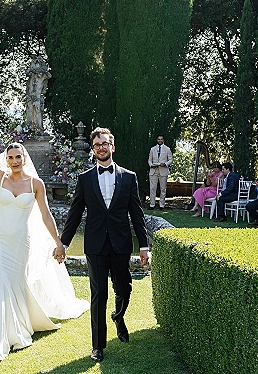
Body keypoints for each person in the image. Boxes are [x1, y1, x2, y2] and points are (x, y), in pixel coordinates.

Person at [0, 100, 89, 361]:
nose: (14, 161)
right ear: (6, 160)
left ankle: (20, 329)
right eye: (10, 157)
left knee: (15, 284)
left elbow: (46, 215)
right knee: (0, 284)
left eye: (18, 157)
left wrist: (59, 242)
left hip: (21, 242)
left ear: (24, 159)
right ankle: (0, 338)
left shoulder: (36, 183)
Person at [59, 127, 150, 363]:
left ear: (113, 146)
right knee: (98, 294)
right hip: (96, 245)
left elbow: (137, 214)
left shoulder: (129, 177)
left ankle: (119, 317)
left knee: (125, 289)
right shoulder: (85, 178)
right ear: (93, 149)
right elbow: (75, 213)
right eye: (97, 144)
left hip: (120, 244)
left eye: (105, 143)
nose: (101, 147)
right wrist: (63, 243)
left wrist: (143, 245)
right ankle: (98, 346)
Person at [147, 135, 172, 210]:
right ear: (157, 140)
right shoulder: (152, 149)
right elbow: (149, 160)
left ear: (163, 140)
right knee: (152, 188)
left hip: (163, 170)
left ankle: (162, 205)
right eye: (159, 139)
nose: (160, 140)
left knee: (163, 189)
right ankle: (152, 205)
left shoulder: (167, 149)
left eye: (161, 139)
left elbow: (170, 159)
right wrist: (151, 165)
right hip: (153, 171)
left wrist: (165, 164)